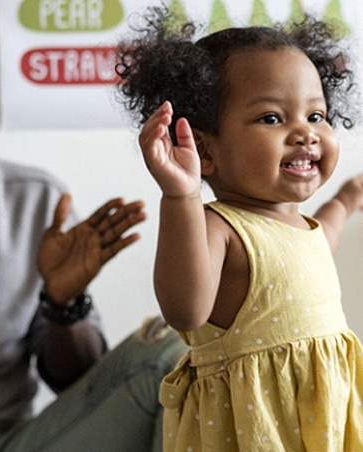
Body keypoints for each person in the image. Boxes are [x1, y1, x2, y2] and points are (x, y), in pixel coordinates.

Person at [0, 1, 188, 451]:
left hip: (18, 442)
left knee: (172, 351)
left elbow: (80, 384)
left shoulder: (34, 198)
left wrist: (63, 302)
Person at [116, 6, 363, 451]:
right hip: (254, 430)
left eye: (316, 116)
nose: (305, 134)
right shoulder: (220, 227)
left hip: (320, 424)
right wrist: (182, 196)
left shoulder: (296, 224)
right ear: (205, 151)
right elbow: (186, 310)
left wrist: (346, 200)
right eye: (272, 118)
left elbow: (321, 241)